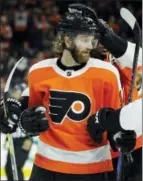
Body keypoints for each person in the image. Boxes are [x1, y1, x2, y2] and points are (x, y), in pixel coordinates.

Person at [0, 4, 124, 181]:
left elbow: (115, 122)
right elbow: (31, 115)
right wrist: (20, 119)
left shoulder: (107, 73)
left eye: (92, 40)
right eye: (85, 39)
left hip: (93, 167)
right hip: (45, 166)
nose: (90, 45)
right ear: (67, 40)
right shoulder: (38, 71)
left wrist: (121, 135)